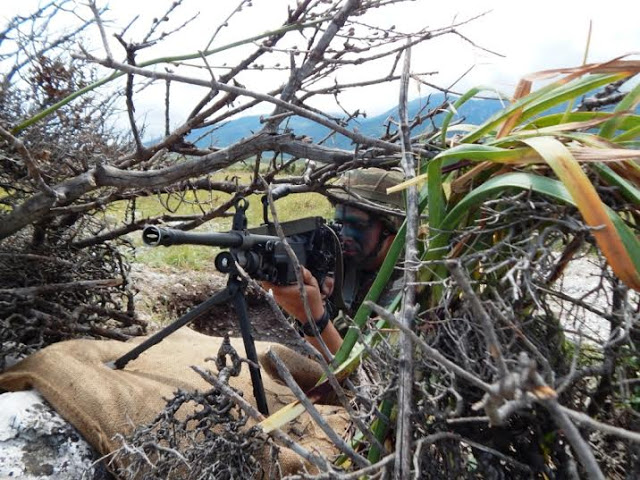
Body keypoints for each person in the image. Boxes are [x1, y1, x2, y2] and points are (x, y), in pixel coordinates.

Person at [264, 168, 405, 358]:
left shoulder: (412, 283)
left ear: (393, 228)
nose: (344, 235)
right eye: (340, 223)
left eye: (357, 225)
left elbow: (370, 373)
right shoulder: (343, 259)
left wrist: (314, 318)